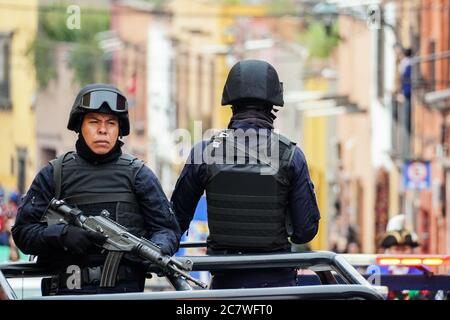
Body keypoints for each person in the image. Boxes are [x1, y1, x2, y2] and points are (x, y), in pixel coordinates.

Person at [12, 84, 180, 295]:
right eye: (94, 122)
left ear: (119, 129)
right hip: (67, 293)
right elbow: (23, 233)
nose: (103, 130)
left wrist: (148, 250)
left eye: (111, 123)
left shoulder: (139, 175)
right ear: (79, 125)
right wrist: (62, 235)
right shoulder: (55, 174)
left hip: (124, 294)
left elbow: (167, 230)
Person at [171, 59, 321, 289]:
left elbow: (174, 221)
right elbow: (305, 231)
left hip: (225, 286)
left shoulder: (204, 152)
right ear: (273, 104)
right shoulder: (291, 156)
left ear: (231, 102)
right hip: (278, 286)